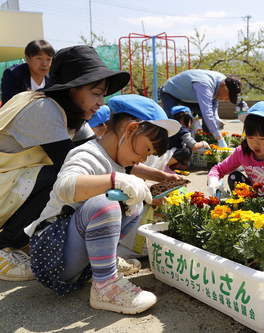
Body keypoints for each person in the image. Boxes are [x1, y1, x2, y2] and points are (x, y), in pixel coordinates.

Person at [24, 94, 182, 313]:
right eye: (146, 150)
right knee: (105, 202)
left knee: (133, 202)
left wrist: (151, 186)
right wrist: (114, 181)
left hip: (72, 254)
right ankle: (106, 288)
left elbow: (128, 176)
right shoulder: (87, 154)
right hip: (52, 253)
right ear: (130, 130)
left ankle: (101, 267)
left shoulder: (115, 160)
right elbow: (64, 186)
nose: (144, 159)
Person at [0, 45, 130, 281]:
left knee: (78, 179)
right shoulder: (43, 108)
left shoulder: (72, 114)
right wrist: (120, 181)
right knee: (61, 177)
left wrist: (155, 178)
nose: (102, 102)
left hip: (10, 188)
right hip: (5, 188)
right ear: (72, 89)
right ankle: (5, 243)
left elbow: (102, 154)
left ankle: (20, 240)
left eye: (103, 94)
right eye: (96, 93)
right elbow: (73, 167)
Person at [159, 69, 241, 148]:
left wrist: (216, 117)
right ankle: (172, 151)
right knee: (173, 122)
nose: (228, 99)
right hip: (170, 92)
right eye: (228, 96)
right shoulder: (204, 86)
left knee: (211, 120)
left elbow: (214, 103)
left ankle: (209, 144)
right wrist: (220, 138)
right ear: (223, 86)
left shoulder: (223, 81)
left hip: (188, 96)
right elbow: (208, 114)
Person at [1, 40, 55, 105]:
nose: (45, 64)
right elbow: (8, 105)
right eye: (39, 58)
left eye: (49, 59)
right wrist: (30, 96)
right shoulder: (13, 74)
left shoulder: (54, 77)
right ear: (27, 59)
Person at [167, 105, 210, 170]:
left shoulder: (169, 127)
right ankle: (166, 165)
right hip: (167, 155)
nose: (190, 125)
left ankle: (172, 165)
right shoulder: (181, 129)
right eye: (190, 121)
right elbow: (194, 146)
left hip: (159, 155)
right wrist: (203, 143)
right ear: (185, 118)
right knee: (186, 151)